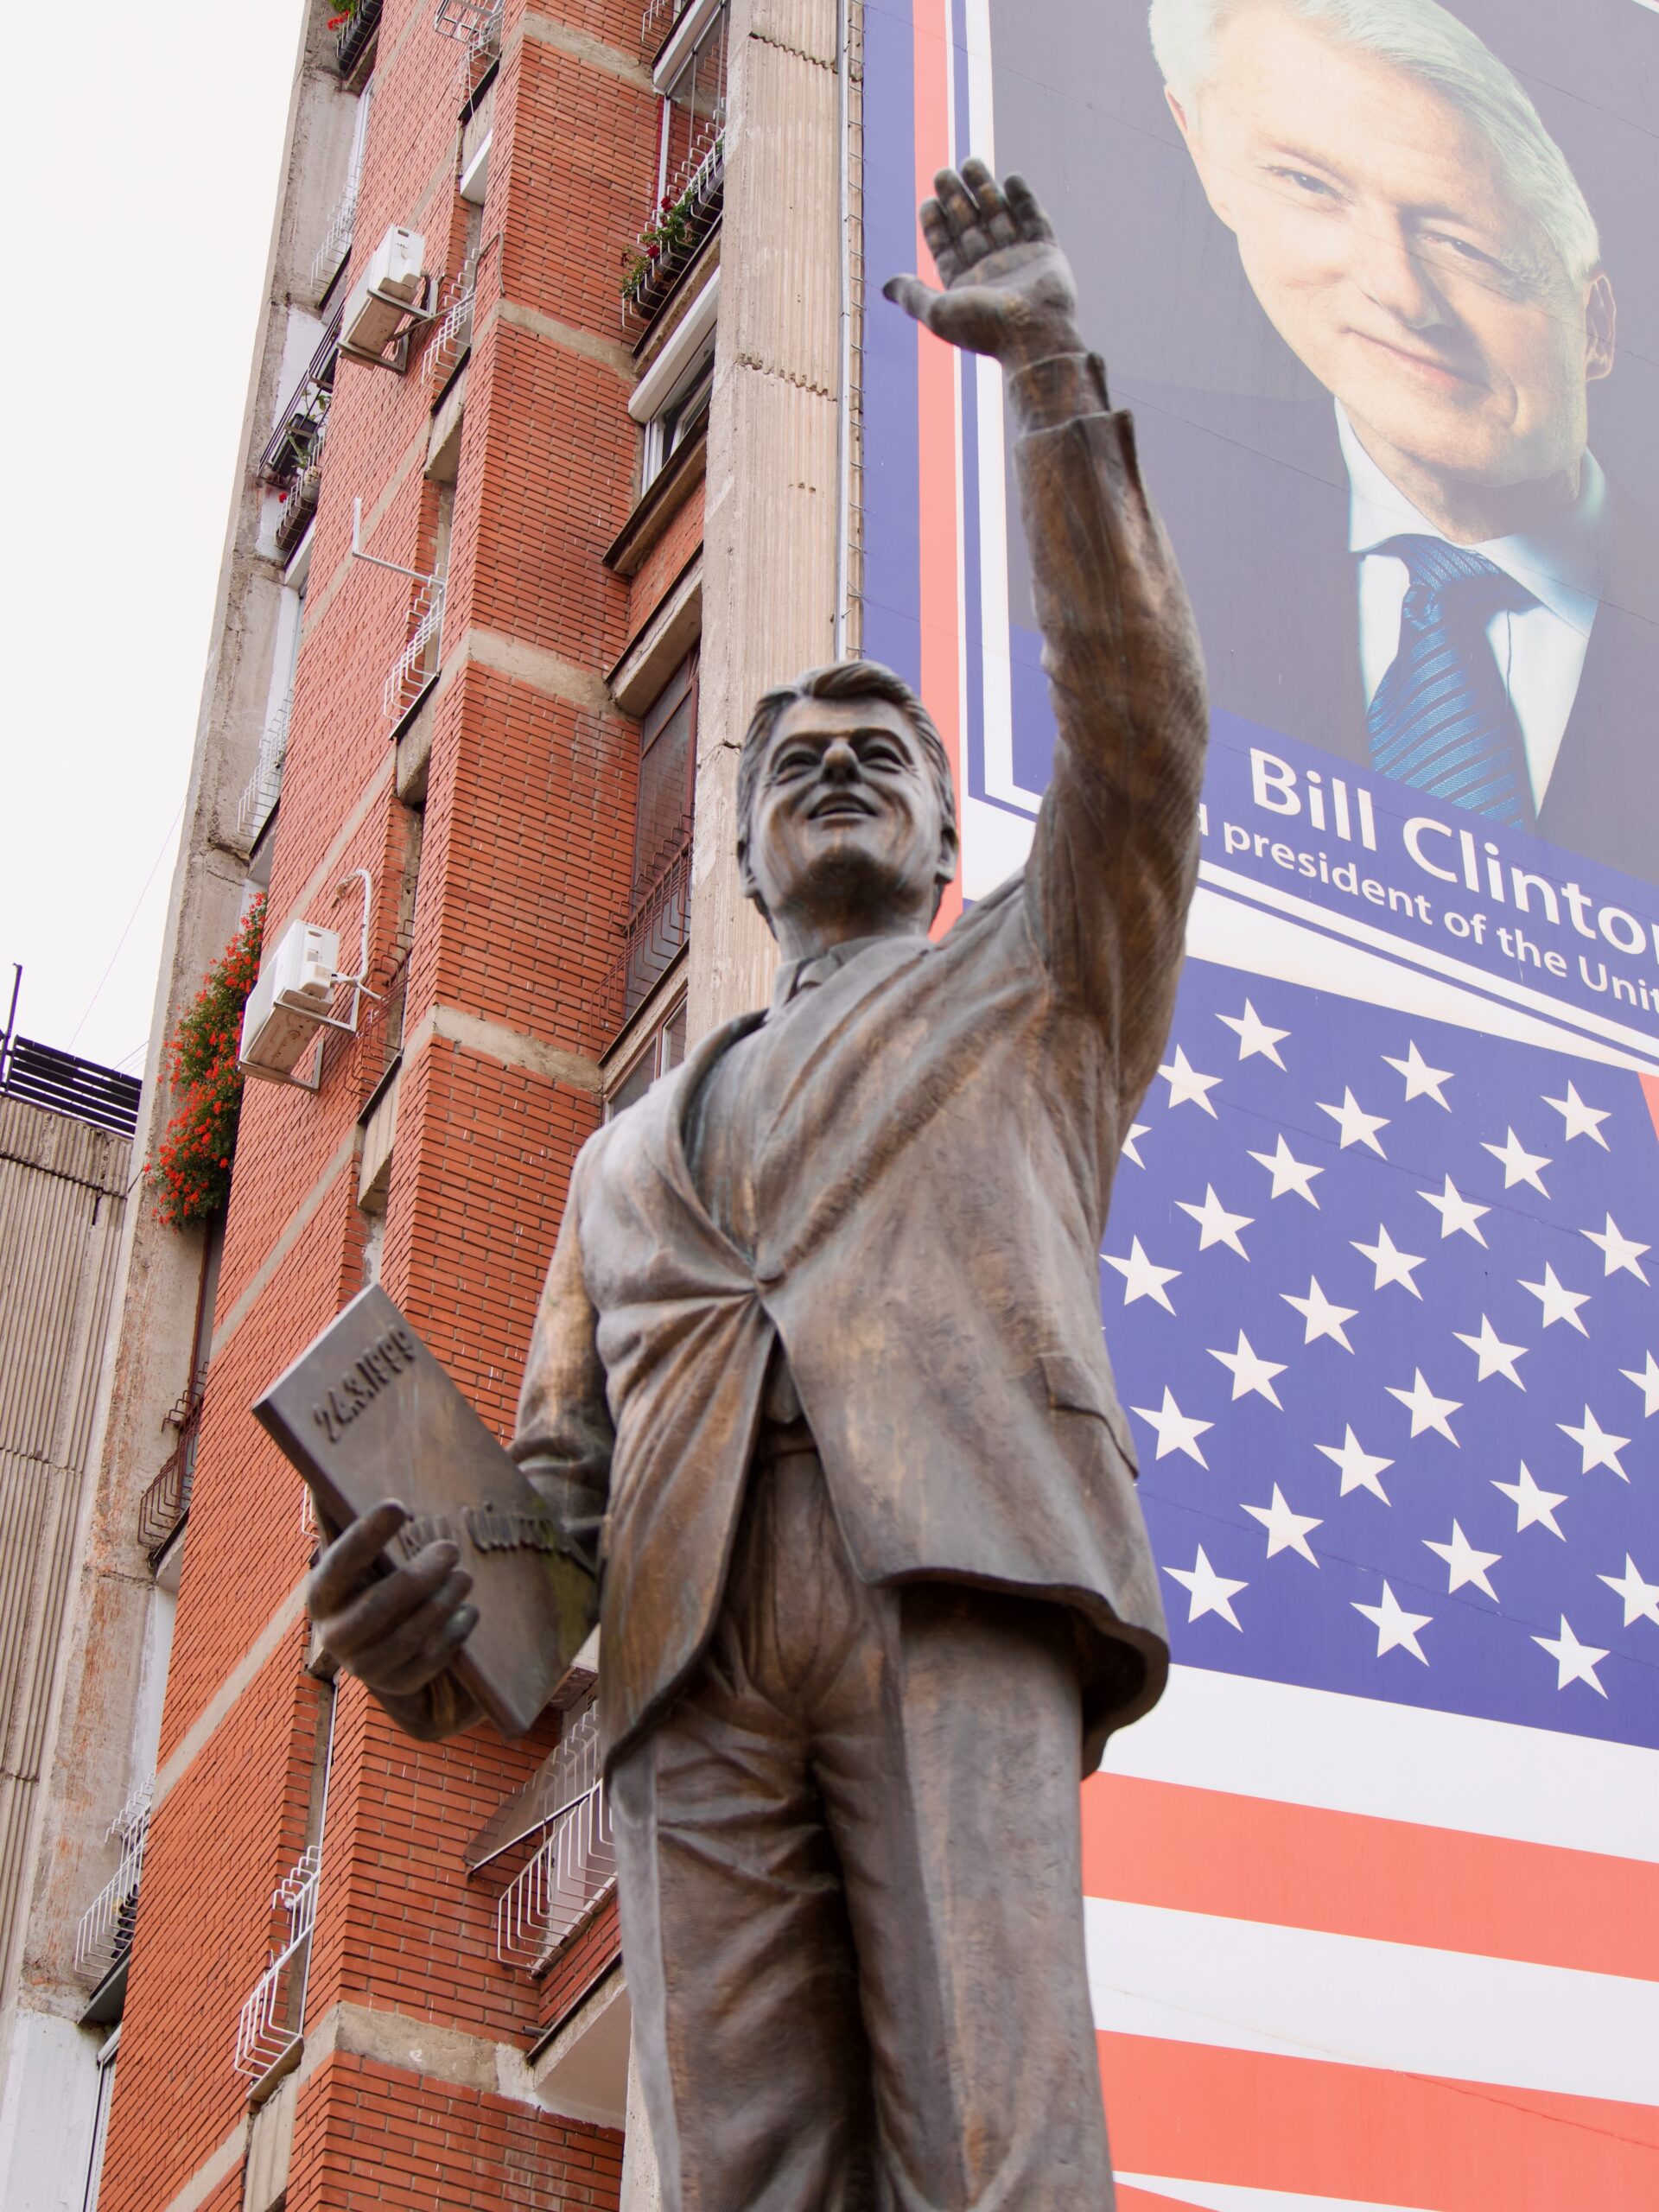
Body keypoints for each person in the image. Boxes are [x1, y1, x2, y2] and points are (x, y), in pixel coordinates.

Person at [307, 162, 1207, 2208]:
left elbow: (1140, 729)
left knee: (994, 2138)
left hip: (952, 1567)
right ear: (737, 858)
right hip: (686, 1645)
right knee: (738, 2176)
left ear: (946, 844)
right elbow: (552, 1489)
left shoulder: (1042, 987)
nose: (832, 761)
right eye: (789, 751)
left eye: (879, 742)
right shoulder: (623, 1158)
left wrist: (1054, 368)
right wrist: (427, 1614)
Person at [1144, 0, 1654, 876]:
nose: (1401, 295)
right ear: (1203, 155)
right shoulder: (1113, 493)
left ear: (1596, 325)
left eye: (1468, 247)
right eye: (1310, 185)